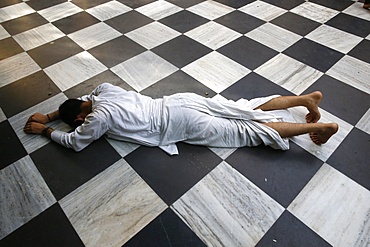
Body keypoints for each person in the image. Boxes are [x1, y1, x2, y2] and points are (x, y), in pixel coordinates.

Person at [24, 83, 338, 155]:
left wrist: (47, 130)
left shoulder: (97, 119)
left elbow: (76, 143)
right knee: (244, 106)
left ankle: (316, 127)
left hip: (179, 124)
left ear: (81, 117)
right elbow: (91, 92)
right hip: (181, 101)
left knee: (249, 130)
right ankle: (306, 99)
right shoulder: (104, 92)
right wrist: (53, 112)